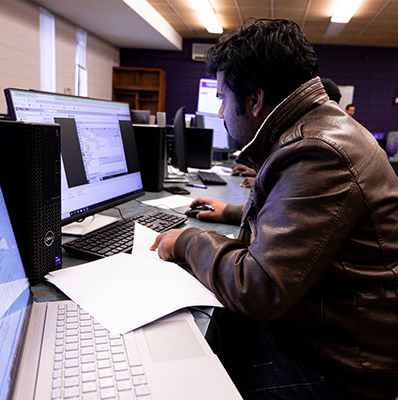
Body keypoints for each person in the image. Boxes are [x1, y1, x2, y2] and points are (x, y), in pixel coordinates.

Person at [151, 19, 398, 400]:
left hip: (342, 372)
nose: (219, 111)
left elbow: (258, 288)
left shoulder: (319, 151)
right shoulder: (316, 129)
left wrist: (187, 241)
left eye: (222, 98)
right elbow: (303, 221)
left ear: (254, 100)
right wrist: (233, 214)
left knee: (178, 383)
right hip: (327, 335)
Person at [233, 77, 342, 189]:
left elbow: (301, 187)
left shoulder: (318, 143)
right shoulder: (329, 132)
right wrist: (259, 173)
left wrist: (262, 185)